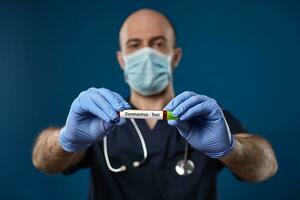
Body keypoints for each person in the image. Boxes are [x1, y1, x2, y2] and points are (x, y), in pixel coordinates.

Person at [32, 9, 278, 200]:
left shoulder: (206, 119)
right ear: (122, 59)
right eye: (134, 45)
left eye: (158, 43)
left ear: (176, 56)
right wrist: (65, 139)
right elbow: (43, 161)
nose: (147, 53)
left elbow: (266, 167)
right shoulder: (98, 118)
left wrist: (230, 147)